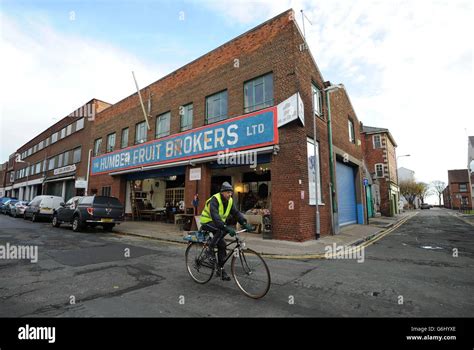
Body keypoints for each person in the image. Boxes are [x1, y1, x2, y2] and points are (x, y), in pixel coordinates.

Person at [200, 182, 253, 281]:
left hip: (218, 224)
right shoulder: (215, 200)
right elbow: (216, 218)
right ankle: (209, 250)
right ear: (222, 192)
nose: (230, 194)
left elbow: (236, 213)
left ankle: (220, 270)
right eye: (228, 192)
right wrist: (226, 228)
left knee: (223, 246)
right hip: (206, 222)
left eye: (231, 192)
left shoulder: (230, 201)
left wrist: (244, 223)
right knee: (220, 230)